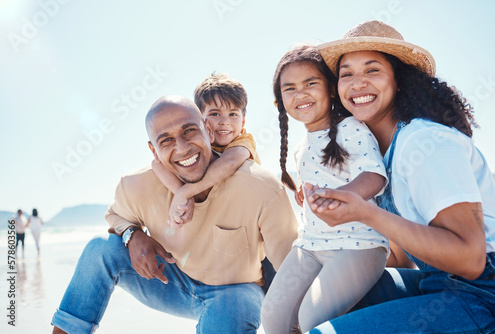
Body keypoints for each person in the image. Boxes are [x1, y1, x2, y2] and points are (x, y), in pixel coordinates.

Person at [302, 20, 495, 333]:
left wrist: (366, 213)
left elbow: (471, 259)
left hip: (486, 294)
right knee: (327, 291)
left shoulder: (424, 141)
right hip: (437, 282)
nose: (357, 83)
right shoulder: (378, 158)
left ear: (399, 79)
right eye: (346, 74)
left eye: (372, 70)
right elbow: (400, 256)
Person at [51, 95, 298, 334]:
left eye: (189, 131)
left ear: (209, 132)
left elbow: (291, 270)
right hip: (173, 283)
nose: (181, 148)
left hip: (235, 292)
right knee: (99, 250)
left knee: (235, 305)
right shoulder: (136, 185)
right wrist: (132, 235)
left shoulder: (261, 187)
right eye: (166, 140)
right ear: (153, 150)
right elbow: (116, 218)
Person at [261, 45, 389, 333]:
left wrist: (344, 197)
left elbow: (374, 175)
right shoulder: (300, 147)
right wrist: (307, 195)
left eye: (310, 83)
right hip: (312, 245)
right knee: (272, 318)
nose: (300, 94)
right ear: (280, 101)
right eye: (289, 88)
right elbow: (323, 178)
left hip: (358, 246)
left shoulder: (351, 127)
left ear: (331, 90)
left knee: (311, 321)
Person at [152, 73, 260, 227]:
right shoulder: (199, 145)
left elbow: (229, 163)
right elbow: (156, 164)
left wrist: (185, 192)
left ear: (243, 121)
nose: (225, 122)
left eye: (233, 114)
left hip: (248, 209)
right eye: (215, 114)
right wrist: (182, 194)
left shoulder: (243, 141)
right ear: (200, 120)